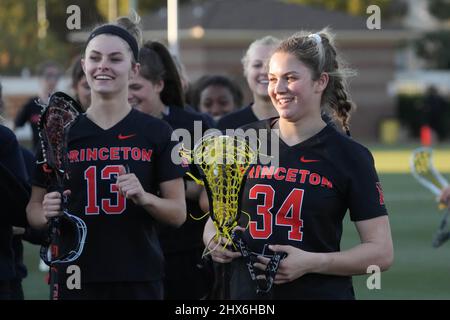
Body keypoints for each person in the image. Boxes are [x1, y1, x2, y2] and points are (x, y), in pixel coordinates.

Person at [203, 29, 394, 300]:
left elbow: (381, 252)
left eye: (290, 78)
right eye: (272, 79)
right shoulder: (240, 141)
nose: (278, 88)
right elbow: (215, 219)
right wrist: (213, 239)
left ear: (320, 82)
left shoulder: (350, 155)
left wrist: (312, 262)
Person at [26, 13, 187, 300]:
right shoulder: (58, 131)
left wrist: (144, 197)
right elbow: (34, 212)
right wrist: (45, 212)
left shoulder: (157, 132)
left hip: (138, 276)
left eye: (115, 59)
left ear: (134, 69)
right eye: (95, 57)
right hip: (74, 275)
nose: (103, 66)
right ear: (84, 65)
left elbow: (177, 213)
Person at [128, 40, 213, 300]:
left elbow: (210, 187)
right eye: (125, 87)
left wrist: (163, 186)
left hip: (184, 249)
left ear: (158, 85)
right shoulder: (116, 126)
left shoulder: (194, 124)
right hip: (132, 249)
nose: (129, 95)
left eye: (136, 87)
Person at [217, 36, 281, 130]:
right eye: (257, 65)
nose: (264, 71)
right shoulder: (228, 124)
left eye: (271, 65)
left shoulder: (300, 121)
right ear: (246, 70)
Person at [14, 61, 62, 151]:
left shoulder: (63, 105)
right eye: (49, 75)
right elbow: (15, 126)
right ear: (40, 78)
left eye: (56, 76)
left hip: (60, 159)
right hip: (37, 157)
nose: (52, 80)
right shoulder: (31, 104)